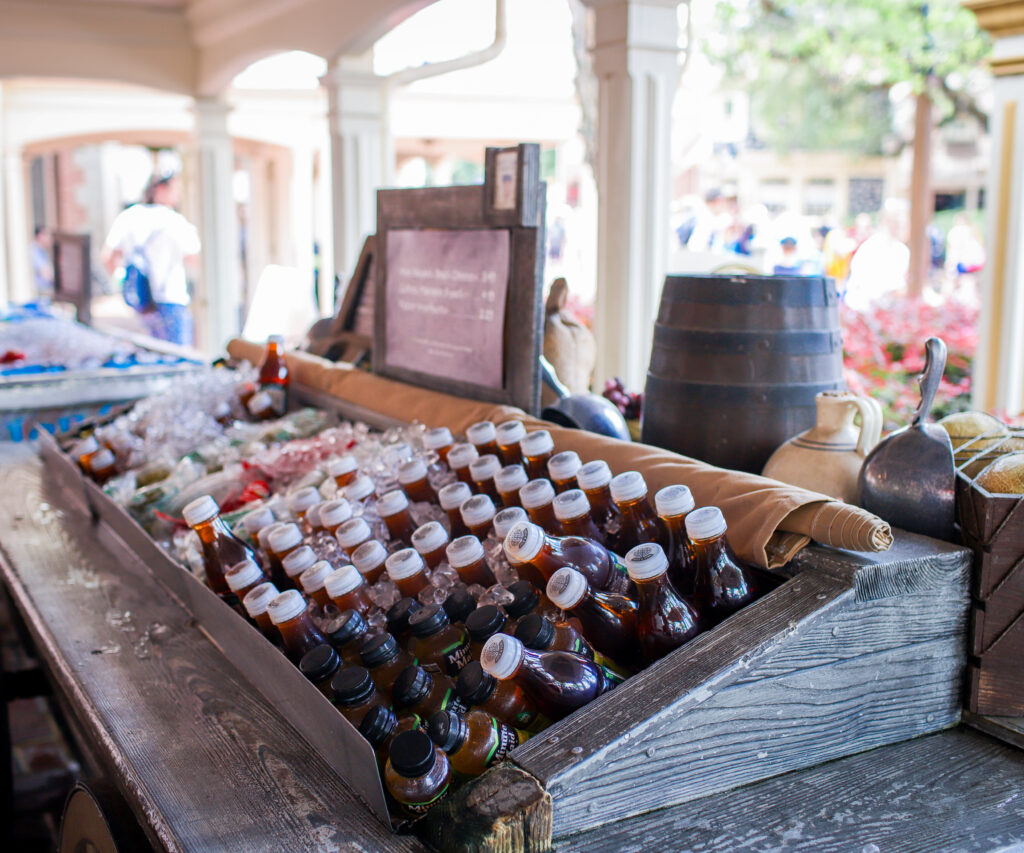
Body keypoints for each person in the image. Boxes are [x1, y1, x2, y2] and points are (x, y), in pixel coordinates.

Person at [101, 172, 200, 345]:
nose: (179, 195)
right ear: (161, 189)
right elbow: (194, 259)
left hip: (141, 301)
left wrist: (120, 281)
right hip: (171, 298)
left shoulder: (129, 217)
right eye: (177, 189)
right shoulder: (175, 220)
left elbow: (107, 257)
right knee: (180, 357)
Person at [31, 226, 55, 298]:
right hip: (40, 292)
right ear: (39, 236)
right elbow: (45, 273)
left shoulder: (42, 251)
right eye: (46, 235)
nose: (49, 238)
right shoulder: (34, 250)